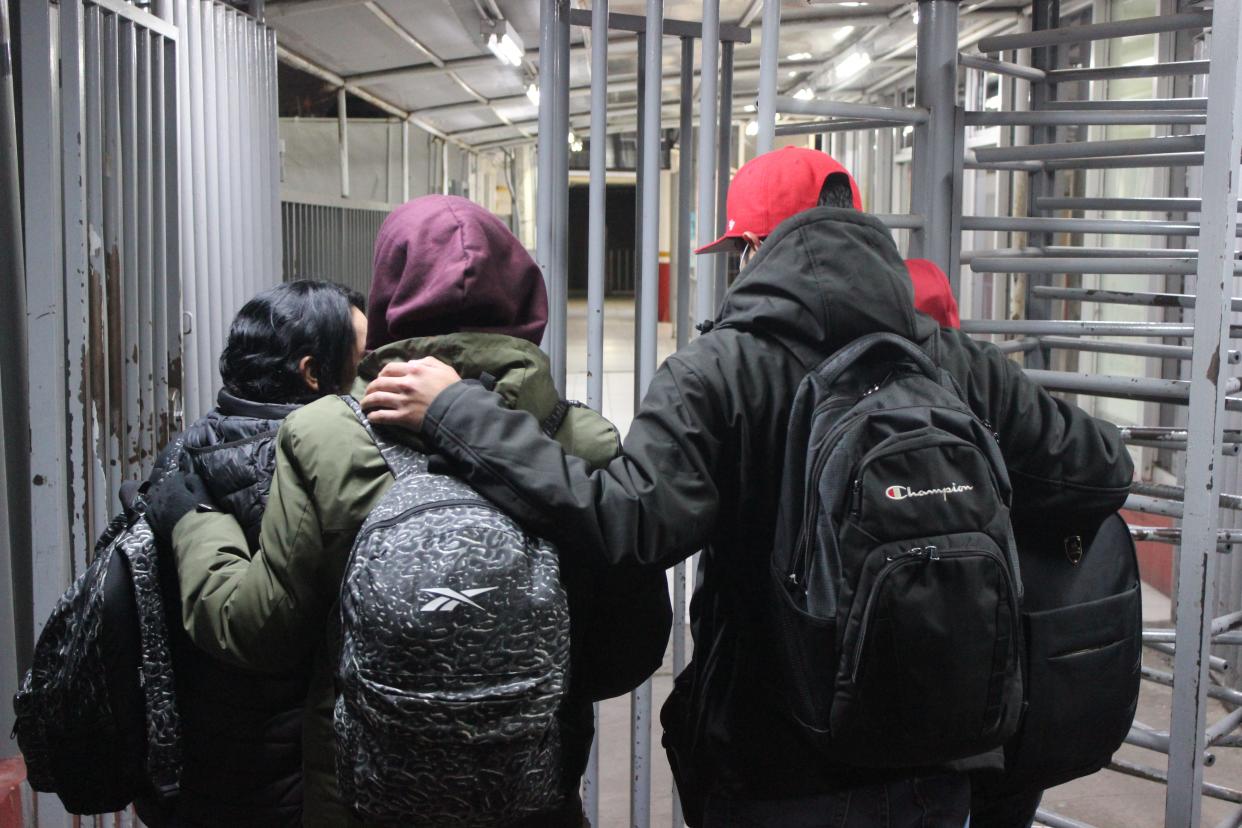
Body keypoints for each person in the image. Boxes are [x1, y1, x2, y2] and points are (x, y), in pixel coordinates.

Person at [359, 149, 1135, 827]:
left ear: (758, 246)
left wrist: (457, 410)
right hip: (944, 758)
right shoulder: (955, 362)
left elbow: (629, 522)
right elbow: (1099, 469)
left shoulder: (720, 372)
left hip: (776, 761)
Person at [149, 195, 671, 827]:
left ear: (388, 302)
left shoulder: (325, 433)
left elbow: (256, 629)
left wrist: (195, 519)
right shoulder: (580, 443)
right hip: (531, 802)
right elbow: (629, 651)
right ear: (526, 301)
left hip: (365, 804)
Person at [139, 280, 367, 827]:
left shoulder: (189, 447)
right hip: (286, 779)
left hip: (202, 764)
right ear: (314, 374)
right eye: (362, 361)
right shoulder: (306, 468)